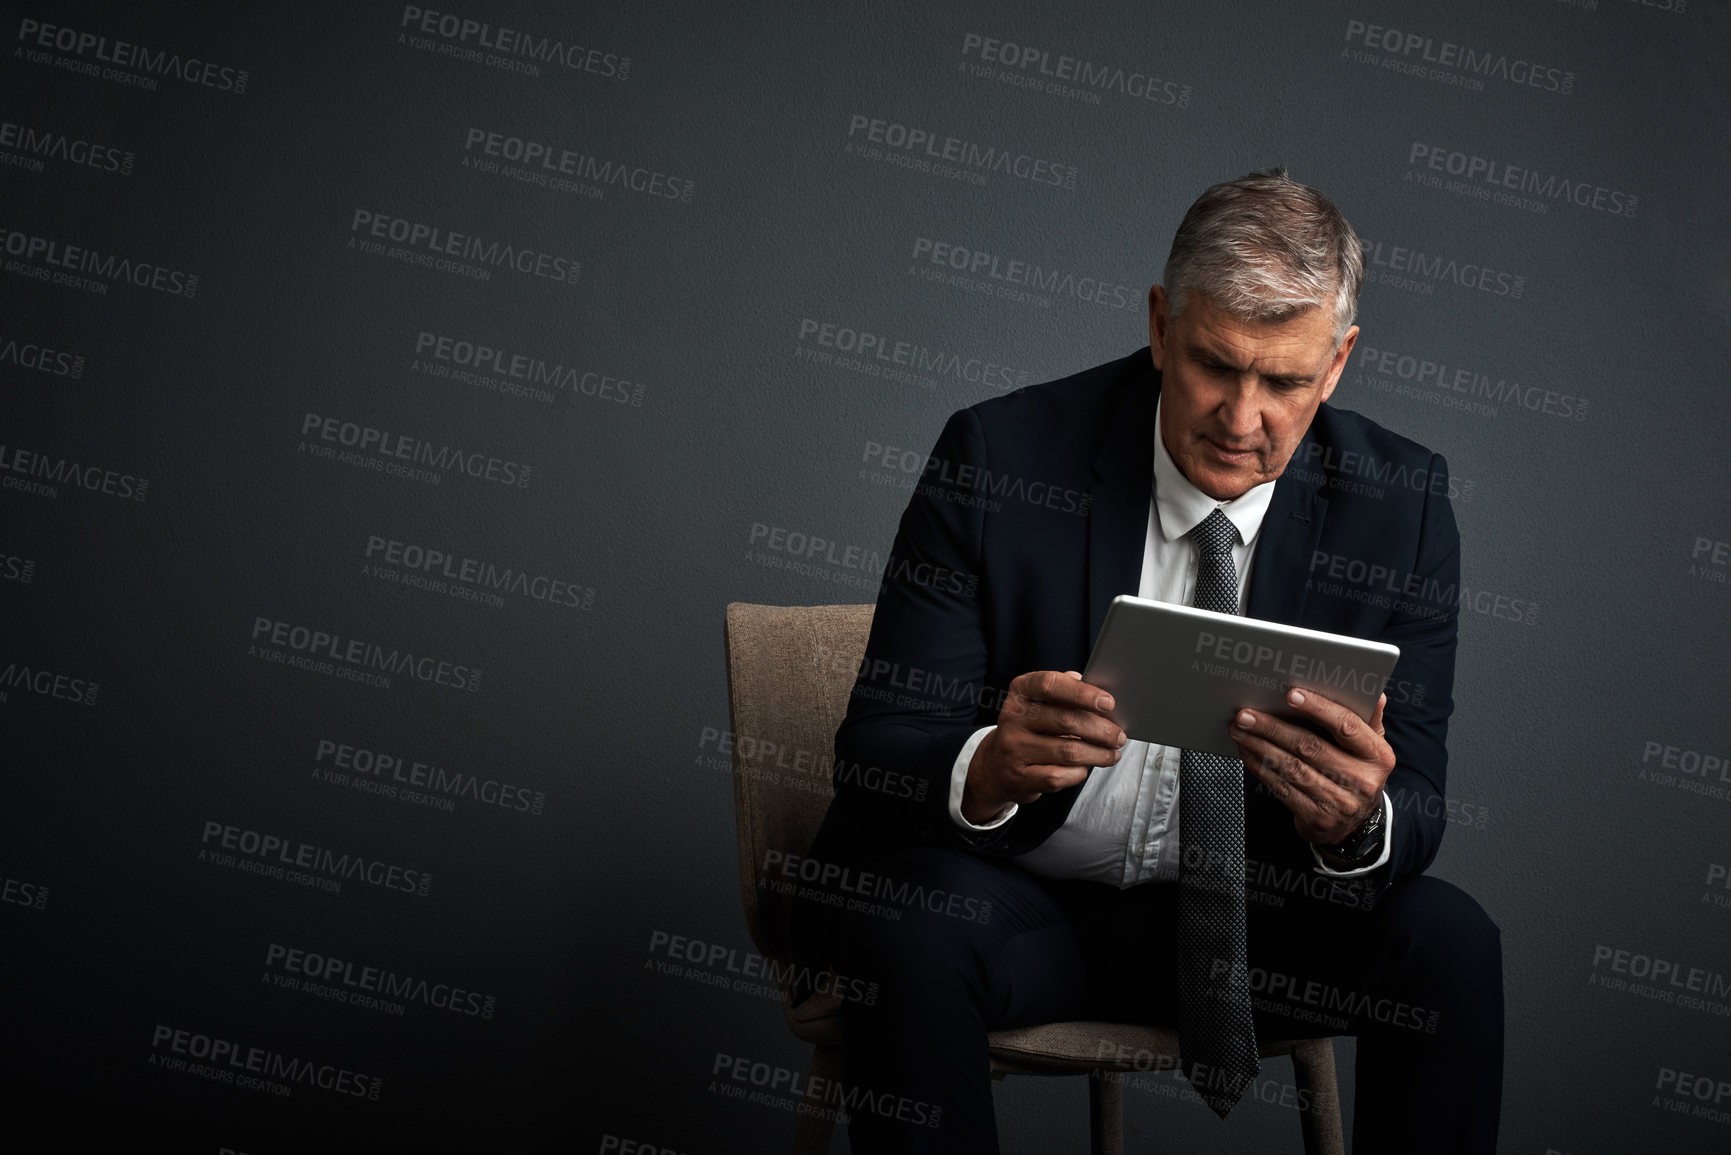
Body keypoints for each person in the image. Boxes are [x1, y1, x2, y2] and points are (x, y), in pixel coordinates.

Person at [793, 169, 1502, 1153]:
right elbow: (877, 753)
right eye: (1216, 365)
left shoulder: (1403, 505)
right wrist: (986, 768)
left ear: (1337, 366)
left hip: (1262, 933)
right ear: (1163, 326)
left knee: (1451, 940)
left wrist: (1359, 822)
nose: (1243, 418)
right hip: (1028, 909)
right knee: (909, 925)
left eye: (1286, 383)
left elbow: (1417, 796)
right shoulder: (1000, 460)